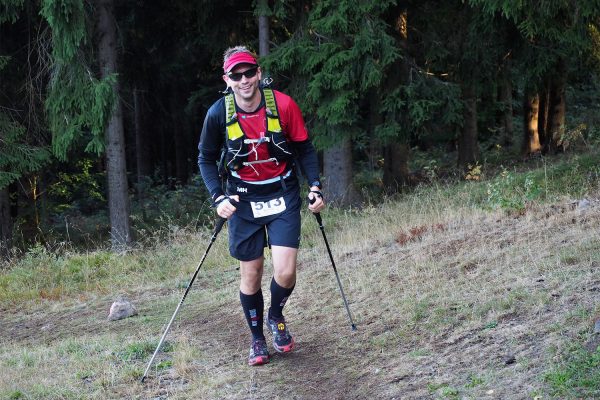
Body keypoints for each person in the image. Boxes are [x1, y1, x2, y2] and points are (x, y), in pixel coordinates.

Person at [198, 46, 325, 366]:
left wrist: (314, 186)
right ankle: (257, 340)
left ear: (258, 72)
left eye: (248, 73)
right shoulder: (217, 114)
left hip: (282, 195)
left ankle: (276, 315)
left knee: (285, 271)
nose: (244, 80)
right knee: (251, 275)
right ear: (226, 79)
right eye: (235, 75)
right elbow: (205, 159)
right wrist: (218, 198)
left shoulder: (283, 104)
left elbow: (304, 148)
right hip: (243, 200)